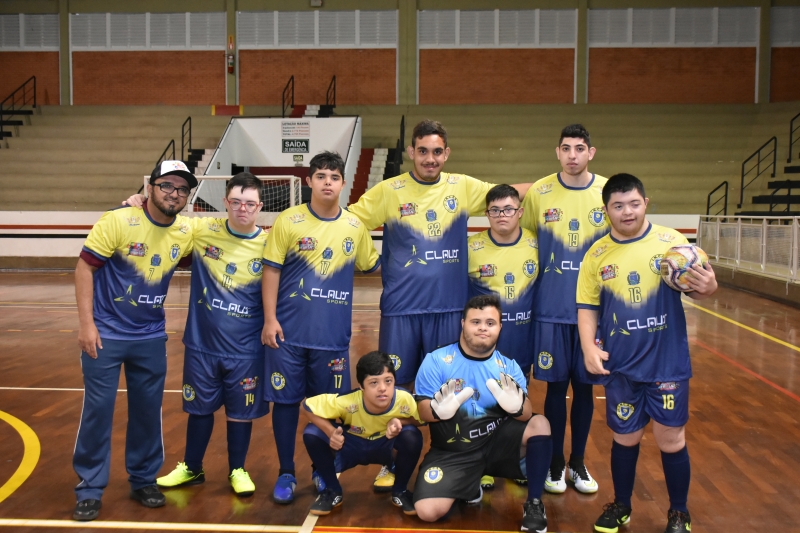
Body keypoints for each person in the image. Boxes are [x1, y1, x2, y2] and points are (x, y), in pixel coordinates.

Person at [347, 120, 529, 491]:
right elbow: (349, 221)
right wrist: (369, 259)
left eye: (436, 152)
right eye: (423, 151)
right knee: (398, 388)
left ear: (446, 154)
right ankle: (393, 461)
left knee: (451, 390)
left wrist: (556, 187)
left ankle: (457, 457)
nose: (430, 158)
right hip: (401, 309)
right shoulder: (389, 191)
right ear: (411, 152)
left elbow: (511, 193)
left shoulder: (461, 186)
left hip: (448, 309)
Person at [576, 173, 717, 533]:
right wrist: (588, 346)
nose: (627, 212)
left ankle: (679, 512)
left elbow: (700, 289)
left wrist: (709, 286)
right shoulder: (596, 254)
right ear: (606, 210)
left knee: (671, 439)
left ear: (646, 203)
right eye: (618, 206)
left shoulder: (674, 245)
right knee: (625, 437)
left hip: (667, 363)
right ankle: (621, 505)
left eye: (634, 204)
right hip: (621, 365)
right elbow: (587, 306)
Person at [72, 161, 196, 521]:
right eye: (166, 185)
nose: (174, 193)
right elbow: (84, 269)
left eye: (182, 189)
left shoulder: (186, 231)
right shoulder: (117, 220)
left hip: (151, 337)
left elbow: (208, 248)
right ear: (150, 187)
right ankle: (90, 488)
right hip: (106, 335)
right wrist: (86, 325)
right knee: (97, 412)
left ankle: (143, 479)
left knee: (148, 412)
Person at [261, 151, 381, 504]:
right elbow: (271, 270)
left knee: (330, 408)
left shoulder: (355, 227)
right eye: (321, 176)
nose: (328, 182)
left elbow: (373, 266)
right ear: (309, 181)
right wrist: (270, 319)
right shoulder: (289, 220)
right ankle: (286, 471)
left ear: (343, 184)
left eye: (334, 177)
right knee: (285, 403)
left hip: (331, 337)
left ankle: (322, 470)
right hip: (287, 335)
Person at [148, 173, 270, 497]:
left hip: (246, 350)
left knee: (240, 413)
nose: (242, 209)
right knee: (199, 409)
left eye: (250, 204)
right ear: (226, 202)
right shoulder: (202, 231)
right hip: (202, 345)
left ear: (260, 207)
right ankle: (192, 467)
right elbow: (163, 221)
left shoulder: (270, 245)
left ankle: (237, 469)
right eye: (236, 202)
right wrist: (136, 204)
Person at [412, 295, 553, 533]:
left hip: (497, 446)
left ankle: (534, 503)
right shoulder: (436, 361)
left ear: (500, 327)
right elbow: (423, 412)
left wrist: (517, 407)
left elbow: (527, 413)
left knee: (540, 424)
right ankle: (469, 484)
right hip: (454, 451)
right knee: (427, 511)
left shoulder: (508, 366)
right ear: (463, 324)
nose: (482, 328)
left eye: (490, 323)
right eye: (475, 322)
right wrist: (437, 411)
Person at [519, 124, 607, 495]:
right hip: (550, 310)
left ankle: (578, 462)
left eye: (579, 148)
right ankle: (555, 462)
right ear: (557, 152)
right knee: (555, 390)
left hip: (594, 312)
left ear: (591, 152)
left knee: (585, 391)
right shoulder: (540, 192)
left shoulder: (606, 192)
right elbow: (524, 244)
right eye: (566, 148)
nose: (572, 155)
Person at [466, 184, 539, 490]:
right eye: (495, 210)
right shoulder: (471, 247)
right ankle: (481, 464)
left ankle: (511, 463)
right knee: (480, 405)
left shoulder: (536, 244)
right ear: (487, 214)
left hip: (522, 341)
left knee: (515, 407)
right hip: (482, 346)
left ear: (520, 212)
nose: (502, 215)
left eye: (508, 209)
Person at [301, 351, 423, 516]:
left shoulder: (404, 399)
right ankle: (332, 490)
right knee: (312, 432)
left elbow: (421, 419)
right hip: (351, 445)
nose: (382, 388)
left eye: (388, 381)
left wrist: (400, 421)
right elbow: (306, 405)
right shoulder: (347, 401)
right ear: (361, 386)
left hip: (384, 445)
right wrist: (331, 432)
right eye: (373, 383)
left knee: (411, 435)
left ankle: (400, 491)